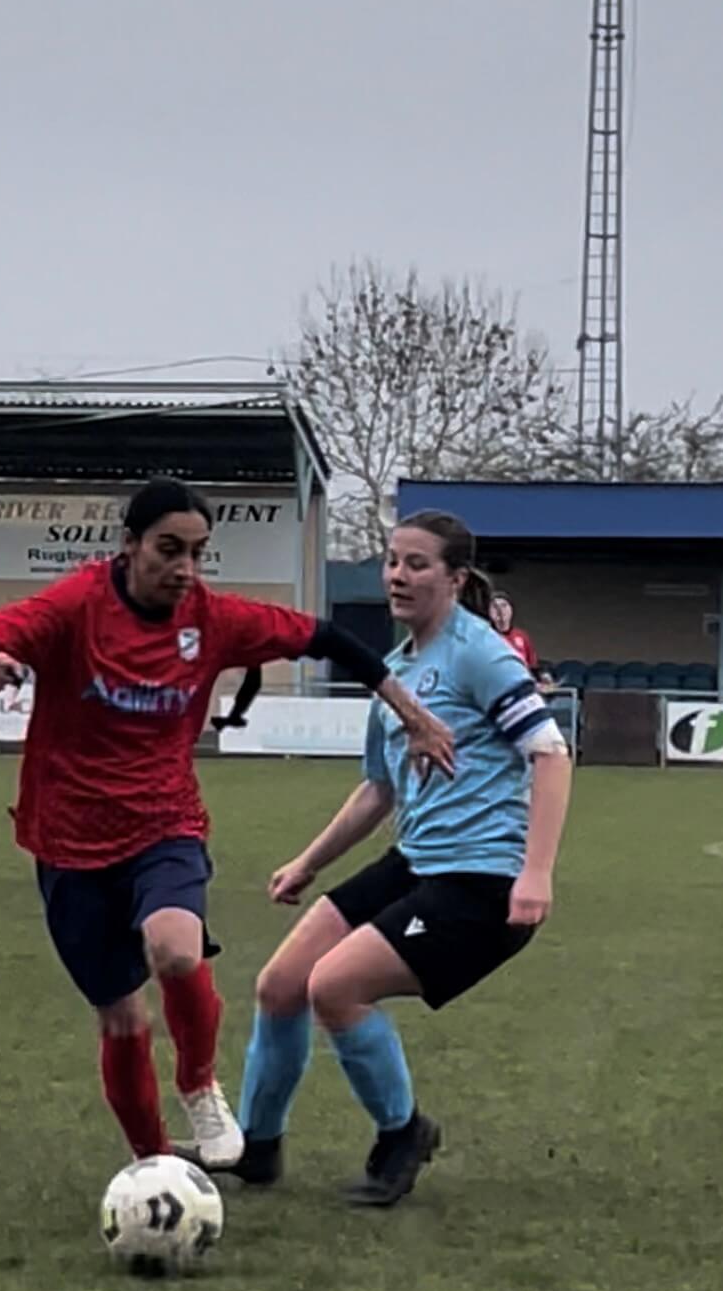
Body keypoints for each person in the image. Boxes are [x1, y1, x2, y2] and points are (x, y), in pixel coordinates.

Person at [0, 476, 454, 1171]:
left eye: (197, 551)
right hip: (66, 840)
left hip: (164, 822)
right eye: (169, 549)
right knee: (123, 1018)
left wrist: (414, 716)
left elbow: (332, 640)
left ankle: (198, 1084)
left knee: (178, 950)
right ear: (128, 547)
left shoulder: (213, 618)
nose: (185, 567)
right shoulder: (78, 603)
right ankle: (155, 1165)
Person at [221, 508, 574, 1207]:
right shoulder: (398, 669)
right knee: (281, 982)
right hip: (414, 861)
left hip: (482, 881)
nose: (397, 575)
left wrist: (536, 871)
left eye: (416, 563)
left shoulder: (481, 653)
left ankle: (403, 1132)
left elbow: (551, 753)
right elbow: (379, 789)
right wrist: (308, 862)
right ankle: (257, 1148)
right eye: (391, 560)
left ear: (454, 577)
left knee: (335, 987)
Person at [489, 592, 540, 676]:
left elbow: (533, 666)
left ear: (511, 610)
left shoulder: (522, 636)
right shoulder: (484, 637)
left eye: (504, 605)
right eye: (495, 607)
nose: (500, 610)